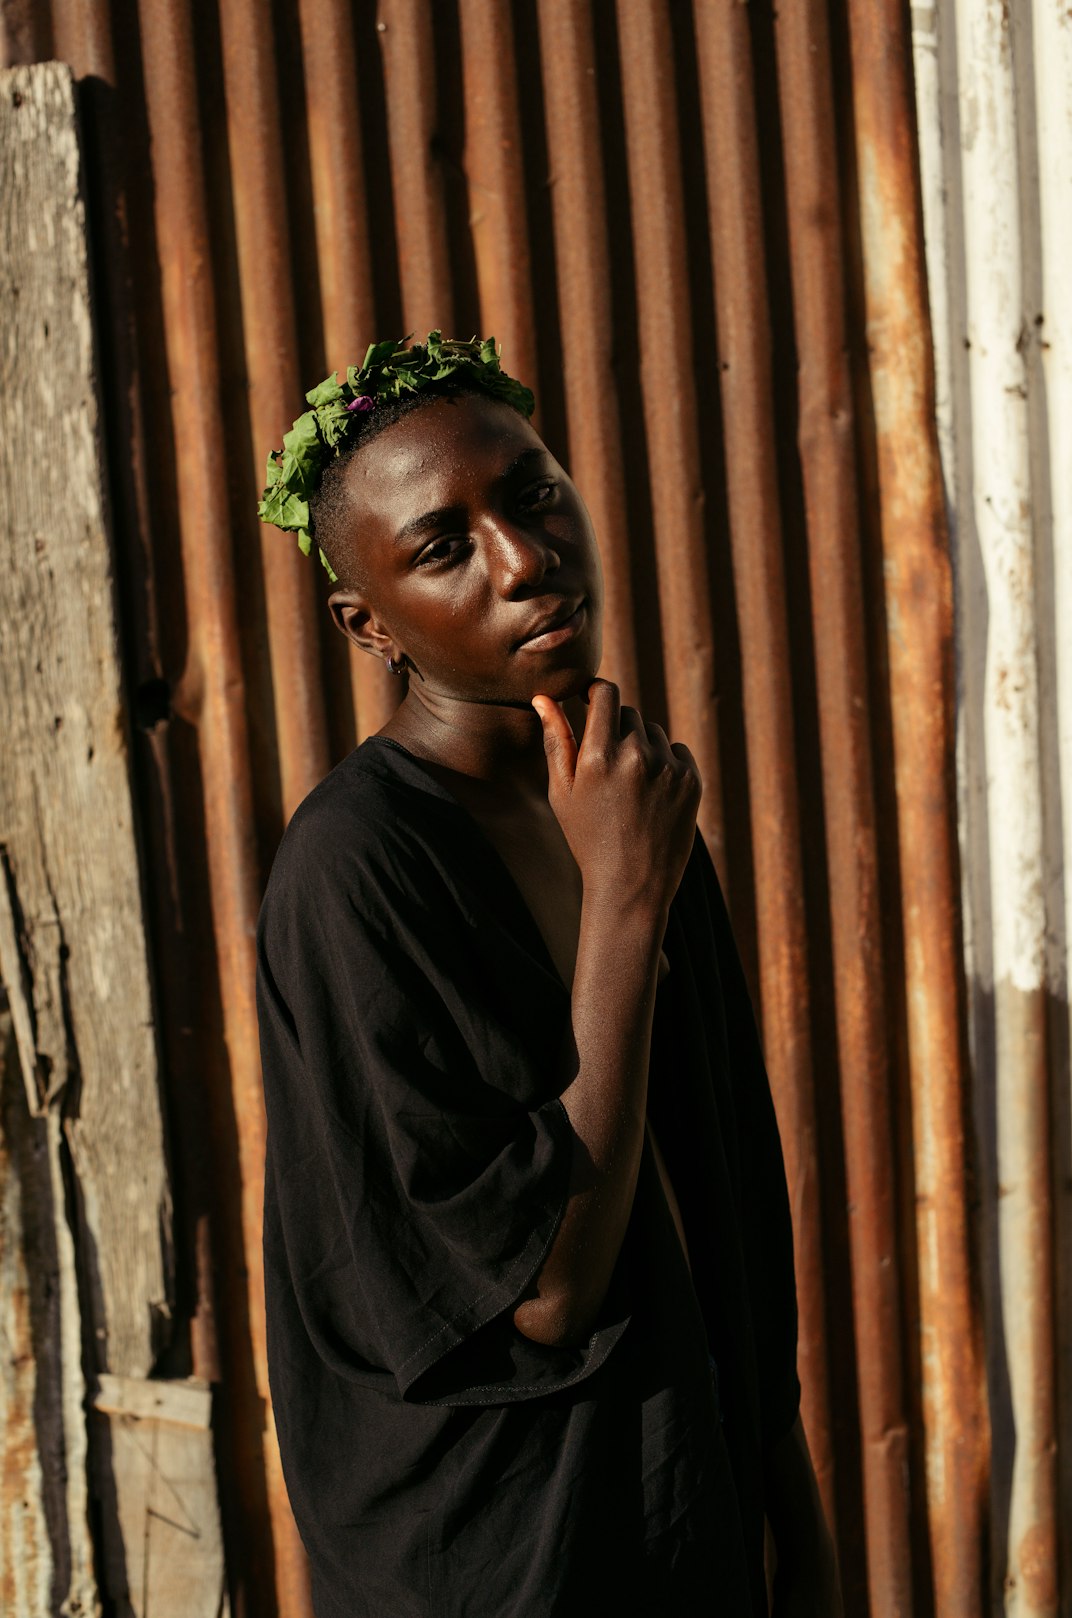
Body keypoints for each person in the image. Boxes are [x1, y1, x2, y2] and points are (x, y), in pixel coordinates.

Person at [255, 336, 842, 1617]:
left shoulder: (624, 794)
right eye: (442, 547)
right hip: (505, 1555)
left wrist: (795, 1526)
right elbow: (547, 1289)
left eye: (531, 493)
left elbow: (722, 1202)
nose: (525, 560)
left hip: (690, 1510)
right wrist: (626, 906)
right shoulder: (358, 869)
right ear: (370, 624)